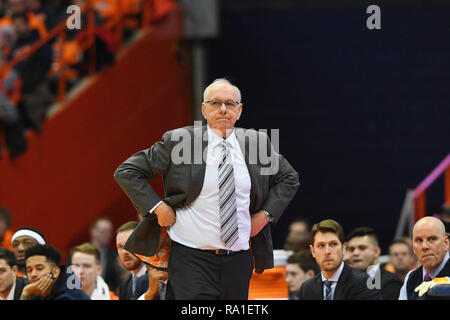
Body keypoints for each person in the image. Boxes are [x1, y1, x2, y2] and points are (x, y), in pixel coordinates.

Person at [114, 78, 300, 300]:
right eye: (215, 103)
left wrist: (264, 216)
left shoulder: (256, 143)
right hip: (191, 258)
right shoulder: (181, 141)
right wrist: (157, 207)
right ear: (204, 109)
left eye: (230, 104)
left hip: (238, 258)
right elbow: (127, 171)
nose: (223, 109)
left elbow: (289, 178)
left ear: (239, 111)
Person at [298, 219, 380, 300]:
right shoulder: (306, 288)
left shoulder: (364, 283)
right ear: (313, 251)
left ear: (343, 248)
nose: (327, 251)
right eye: (321, 246)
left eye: (333, 244)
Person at [398, 216, 449, 300]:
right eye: (419, 240)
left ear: (446, 243)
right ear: (413, 247)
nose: (424, 246)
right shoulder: (411, 277)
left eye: (432, 239)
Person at [346, 227, 403, 300]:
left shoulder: (391, 283)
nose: (355, 253)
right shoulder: (344, 282)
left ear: (376, 252)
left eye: (362, 248)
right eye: (351, 249)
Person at [21, 243, 90, 300]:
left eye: (39, 268)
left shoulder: (70, 295)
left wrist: (25, 294)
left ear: (55, 272)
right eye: (29, 270)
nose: (33, 274)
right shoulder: (35, 292)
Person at [116, 221, 149, 300]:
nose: (125, 252)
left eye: (129, 244)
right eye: (120, 247)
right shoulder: (125, 284)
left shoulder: (158, 278)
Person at [89, 216, 122, 292]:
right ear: (93, 231)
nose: (107, 235)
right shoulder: (77, 253)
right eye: (103, 231)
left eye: (109, 231)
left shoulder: (115, 256)